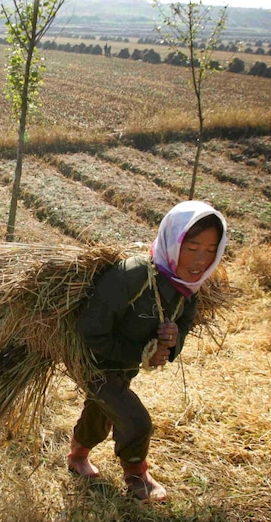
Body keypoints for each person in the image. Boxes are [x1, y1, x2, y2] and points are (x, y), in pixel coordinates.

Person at [69, 200, 228, 502]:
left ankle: (76, 455)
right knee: (136, 420)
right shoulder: (133, 275)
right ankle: (136, 474)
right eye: (192, 247)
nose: (200, 260)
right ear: (173, 241)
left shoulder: (188, 287)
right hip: (92, 361)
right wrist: (143, 354)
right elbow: (91, 330)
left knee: (100, 413)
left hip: (122, 366)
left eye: (211, 250)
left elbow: (182, 324)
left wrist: (171, 342)